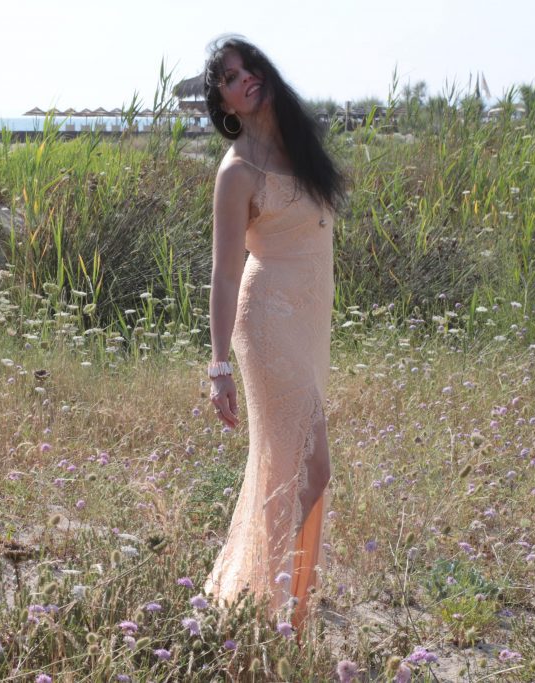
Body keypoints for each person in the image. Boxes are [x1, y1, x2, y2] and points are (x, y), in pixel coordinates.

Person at [200, 35, 344, 639]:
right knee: (310, 468)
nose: (246, 77)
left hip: (309, 320)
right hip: (266, 325)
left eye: (249, 65)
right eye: (231, 77)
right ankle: (283, 609)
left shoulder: (301, 147)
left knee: (289, 468)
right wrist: (217, 366)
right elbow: (226, 271)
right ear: (225, 104)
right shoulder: (237, 173)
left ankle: (277, 605)